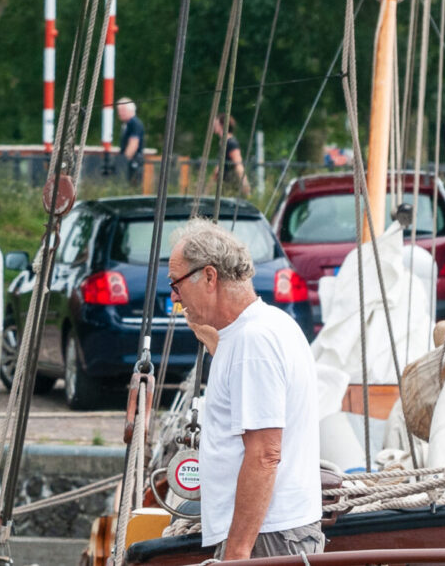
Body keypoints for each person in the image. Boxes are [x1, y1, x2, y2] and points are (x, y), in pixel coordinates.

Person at [167, 220, 322, 560]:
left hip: (267, 537)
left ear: (210, 277)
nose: (174, 297)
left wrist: (237, 553)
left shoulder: (253, 344)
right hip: (271, 532)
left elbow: (264, 454)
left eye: (176, 284)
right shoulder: (265, 327)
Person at [211, 114, 252, 196]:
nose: (213, 126)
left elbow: (238, 164)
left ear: (222, 125)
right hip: (223, 184)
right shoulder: (222, 143)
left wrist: (245, 184)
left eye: (216, 124)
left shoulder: (231, 143)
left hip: (231, 184)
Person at [118, 97, 147, 185]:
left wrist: (123, 162)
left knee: (131, 186)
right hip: (131, 162)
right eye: (119, 110)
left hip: (133, 163)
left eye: (123, 110)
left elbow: (133, 144)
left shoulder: (134, 123)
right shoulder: (128, 124)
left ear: (131, 110)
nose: (120, 113)